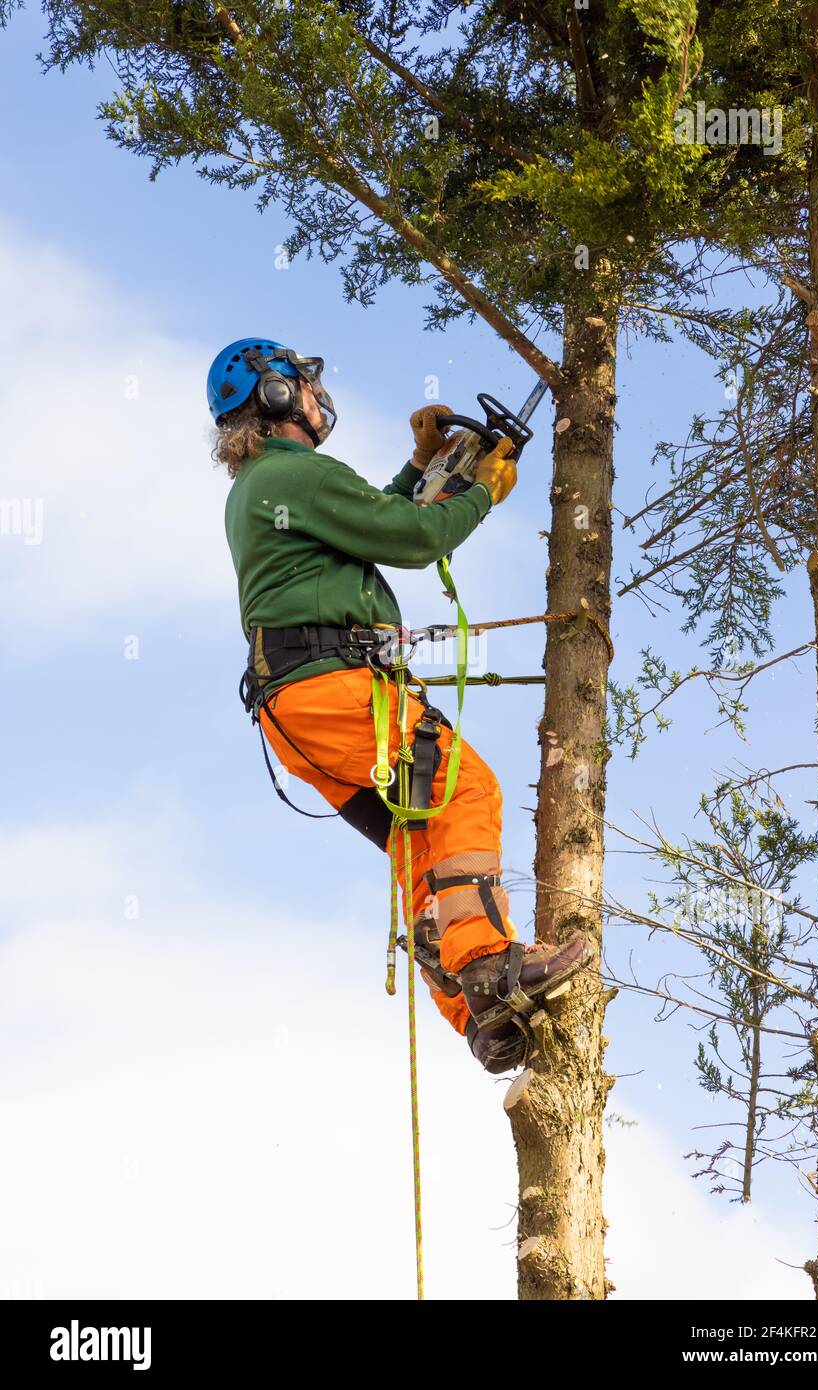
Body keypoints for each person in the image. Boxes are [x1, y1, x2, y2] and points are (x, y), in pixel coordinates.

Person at [209, 338, 588, 1071]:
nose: (318, 395)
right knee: (464, 790)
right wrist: (479, 492)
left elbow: (372, 520)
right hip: (333, 689)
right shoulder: (291, 472)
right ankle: (486, 964)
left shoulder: (270, 484)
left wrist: (421, 468)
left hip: (297, 707)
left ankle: (478, 1013)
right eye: (304, 383)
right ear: (278, 396)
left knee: (420, 840)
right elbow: (413, 538)